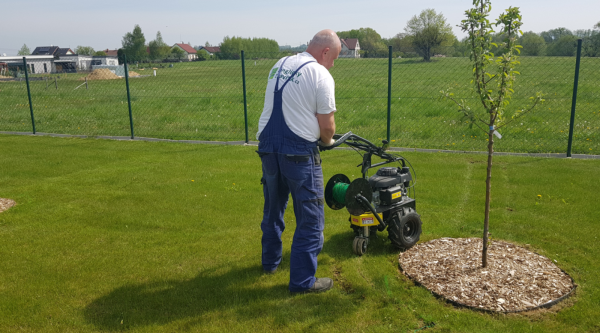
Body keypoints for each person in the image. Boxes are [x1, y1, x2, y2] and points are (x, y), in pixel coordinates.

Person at [256, 29, 341, 293]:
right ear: (325, 52)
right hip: (299, 155)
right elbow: (327, 128)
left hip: (269, 150)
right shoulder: (320, 74)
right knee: (311, 220)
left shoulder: (279, 65)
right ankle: (303, 282)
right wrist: (328, 142)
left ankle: (270, 263)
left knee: (273, 211)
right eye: (334, 58)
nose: (333, 64)